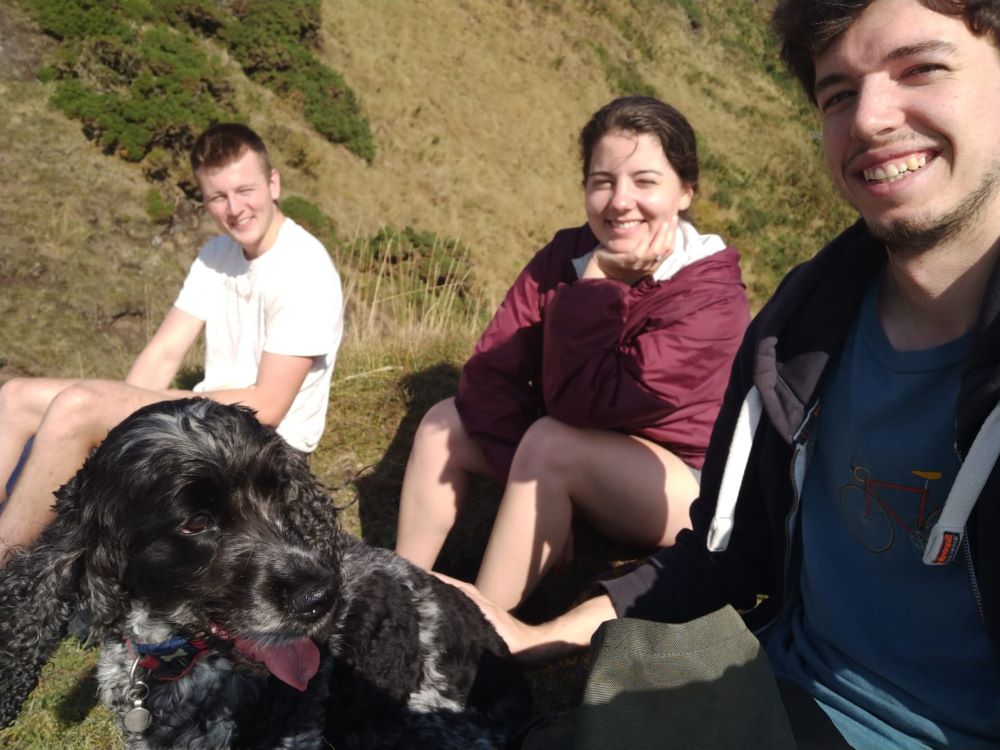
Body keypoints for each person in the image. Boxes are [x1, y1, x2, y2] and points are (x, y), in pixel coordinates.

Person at [443, 1, 1000, 747]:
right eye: (837, 94)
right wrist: (533, 637)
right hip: (773, 694)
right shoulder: (798, 335)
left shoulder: (720, 297)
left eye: (921, 68)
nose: (870, 118)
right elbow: (721, 559)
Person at [396, 96, 750, 610]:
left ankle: (479, 637)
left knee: (553, 444)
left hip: (680, 488)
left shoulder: (711, 298)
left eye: (645, 182)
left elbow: (585, 405)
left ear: (685, 192)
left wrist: (598, 285)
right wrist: (530, 488)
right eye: (602, 181)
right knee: (444, 422)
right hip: (575, 451)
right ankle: (394, 589)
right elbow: (489, 376)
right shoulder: (565, 254)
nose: (619, 201)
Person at [0, 122, 343, 563]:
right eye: (218, 197)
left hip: (263, 446)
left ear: (273, 184)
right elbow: (164, 352)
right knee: (15, 396)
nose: (235, 208)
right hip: (203, 419)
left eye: (246, 190)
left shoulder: (304, 269)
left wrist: (143, 407)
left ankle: (7, 558)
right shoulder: (216, 255)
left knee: (78, 406)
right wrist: (127, 426)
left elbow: (270, 403)